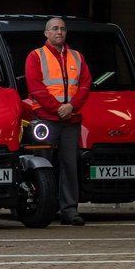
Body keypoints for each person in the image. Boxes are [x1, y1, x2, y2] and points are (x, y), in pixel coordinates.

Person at [25, 17, 90, 226]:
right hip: (46, 119)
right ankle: (44, 207)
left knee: (70, 164)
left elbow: (85, 85)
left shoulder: (78, 57)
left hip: (71, 119)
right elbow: (36, 88)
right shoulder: (36, 56)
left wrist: (71, 107)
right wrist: (58, 108)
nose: (59, 32)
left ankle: (69, 210)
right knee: (42, 164)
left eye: (62, 29)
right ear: (46, 33)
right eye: (55, 29)